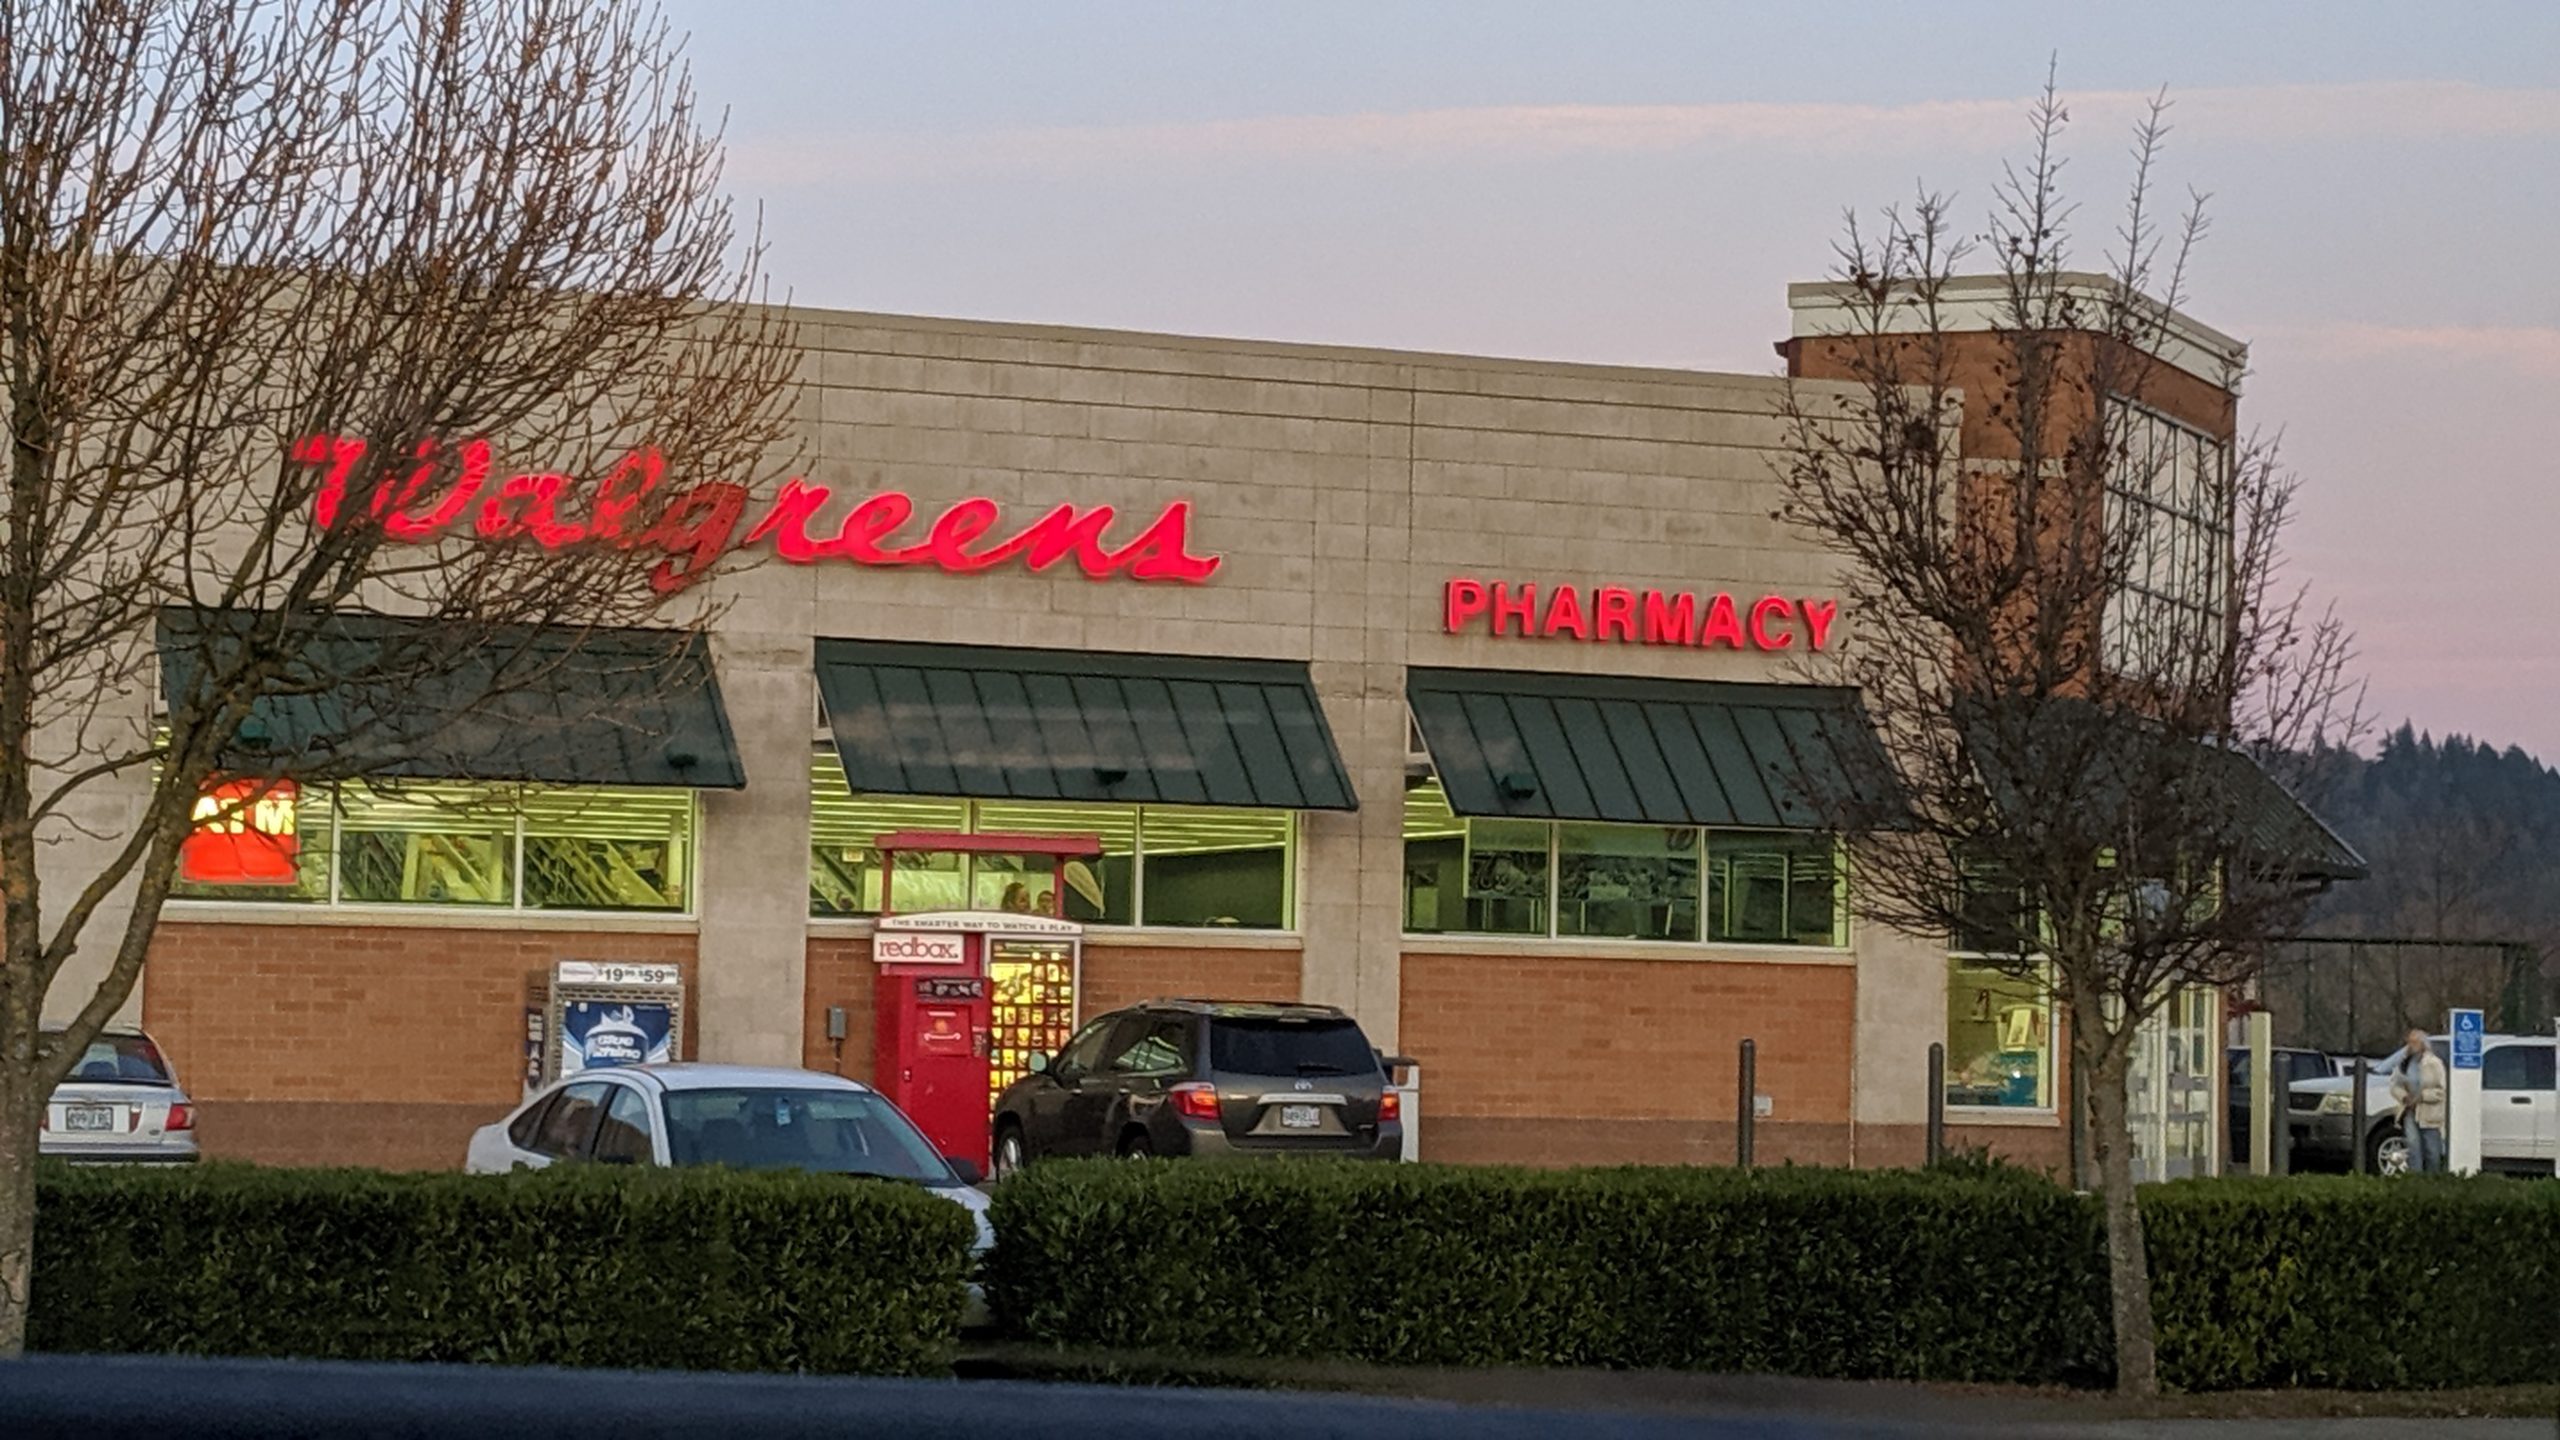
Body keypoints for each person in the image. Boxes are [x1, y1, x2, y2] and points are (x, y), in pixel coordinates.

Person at [2388, 1027, 2448, 1174]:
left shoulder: (2434, 1063)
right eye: (2409, 1042)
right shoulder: (2404, 1063)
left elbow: (2441, 1091)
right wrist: (2404, 1096)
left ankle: (2433, 1178)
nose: (2411, 1046)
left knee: (2431, 1150)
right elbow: (2394, 1085)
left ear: (2423, 1044)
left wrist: (2422, 1097)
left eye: (2414, 1042)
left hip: (2429, 1113)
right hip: (2410, 1111)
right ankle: (2415, 1179)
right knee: (2413, 1147)